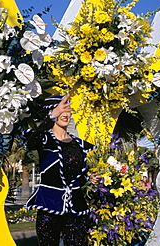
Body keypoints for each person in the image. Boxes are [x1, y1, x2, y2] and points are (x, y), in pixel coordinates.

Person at [23, 94, 100, 246]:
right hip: (49, 205)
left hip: (77, 208)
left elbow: (76, 174)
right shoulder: (43, 139)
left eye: (67, 109)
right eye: (60, 110)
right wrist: (51, 117)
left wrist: (89, 179)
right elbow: (31, 142)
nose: (64, 114)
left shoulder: (79, 144)